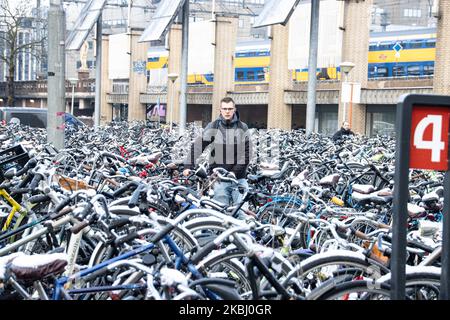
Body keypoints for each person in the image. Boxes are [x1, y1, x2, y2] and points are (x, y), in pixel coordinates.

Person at [183, 97, 252, 209]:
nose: (227, 111)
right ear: (220, 110)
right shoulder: (214, 126)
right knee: (219, 212)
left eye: (230, 108)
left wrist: (234, 172)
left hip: (238, 178)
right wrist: (187, 165)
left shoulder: (242, 127)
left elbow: (247, 153)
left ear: (234, 109)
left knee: (242, 212)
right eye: (224, 109)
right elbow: (198, 146)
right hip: (219, 178)